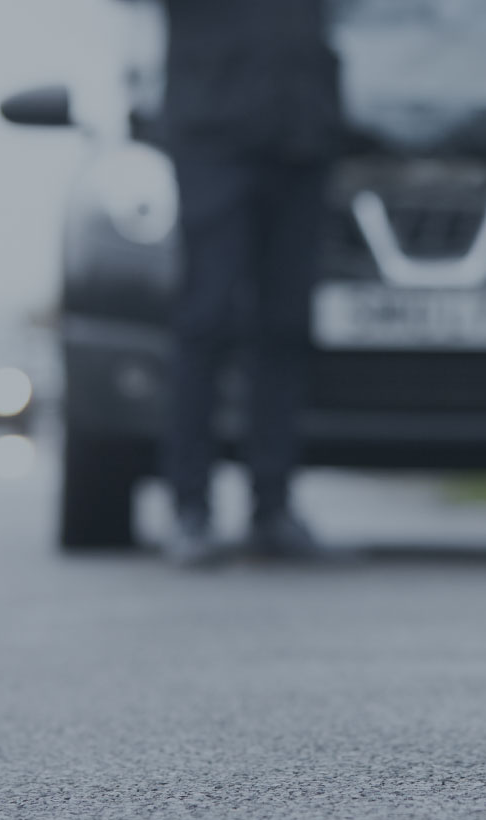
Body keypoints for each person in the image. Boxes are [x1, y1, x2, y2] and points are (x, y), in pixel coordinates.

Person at [156, 0, 343, 565]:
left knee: (285, 326)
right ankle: (191, 510)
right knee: (206, 319)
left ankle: (273, 508)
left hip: (302, 139)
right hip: (214, 138)